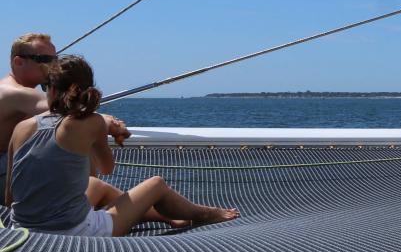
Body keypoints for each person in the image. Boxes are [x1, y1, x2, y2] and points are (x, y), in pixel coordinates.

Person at [4, 54, 238, 236]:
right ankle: (205, 213)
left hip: (23, 229)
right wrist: (102, 133)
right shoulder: (91, 123)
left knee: (95, 185)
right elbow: (107, 168)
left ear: (51, 90)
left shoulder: (23, 127)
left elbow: (10, 196)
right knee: (156, 185)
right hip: (73, 231)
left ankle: (167, 216)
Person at [1, 32, 133, 208]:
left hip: (11, 171)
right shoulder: (13, 93)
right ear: (18, 62)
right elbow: (74, 108)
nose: (54, 66)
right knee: (80, 134)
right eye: (46, 59)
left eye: (55, 59)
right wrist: (112, 124)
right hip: (4, 173)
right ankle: (85, 208)